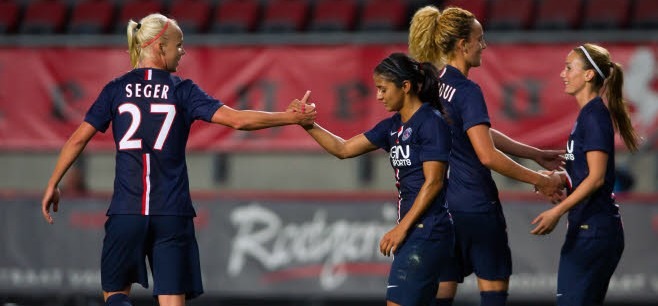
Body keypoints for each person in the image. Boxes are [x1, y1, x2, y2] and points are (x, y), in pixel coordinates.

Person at [40, 13, 316, 306]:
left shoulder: (116, 89)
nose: (183, 51)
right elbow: (238, 121)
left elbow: (78, 139)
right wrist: (290, 117)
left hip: (126, 212)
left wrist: (53, 183)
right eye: (179, 44)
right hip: (171, 213)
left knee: (116, 295)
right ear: (160, 47)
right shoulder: (181, 90)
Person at [407, 5, 565, 306]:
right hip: (477, 208)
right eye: (479, 39)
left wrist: (533, 153)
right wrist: (540, 181)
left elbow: (475, 134)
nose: (484, 45)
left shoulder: (433, 86)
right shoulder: (467, 91)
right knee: (493, 297)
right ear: (462, 44)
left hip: (440, 209)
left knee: (441, 295)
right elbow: (487, 155)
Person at [293, 52, 459, 306]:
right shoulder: (393, 126)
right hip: (417, 232)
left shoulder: (430, 122)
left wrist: (401, 229)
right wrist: (307, 125)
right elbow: (343, 149)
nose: (379, 96)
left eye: (383, 89)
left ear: (405, 87)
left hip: (427, 230)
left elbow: (434, 182)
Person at [530, 43, 639, 306]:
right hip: (589, 228)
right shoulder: (587, 115)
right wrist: (558, 180)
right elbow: (582, 173)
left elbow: (597, 178)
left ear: (589, 75)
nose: (562, 74)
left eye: (569, 67)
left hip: (595, 230)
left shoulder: (594, 117)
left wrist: (557, 212)